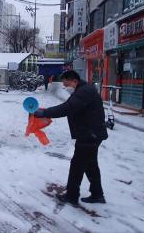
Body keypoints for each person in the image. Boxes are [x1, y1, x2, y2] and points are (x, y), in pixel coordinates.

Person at [34, 70, 107, 206]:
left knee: (77, 166)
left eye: (65, 83)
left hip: (89, 135)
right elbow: (71, 107)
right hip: (92, 133)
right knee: (90, 164)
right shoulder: (83, 89)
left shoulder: (83, 92)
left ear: (73, 80)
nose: (64, 86)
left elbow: (67, 108)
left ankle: (72, 196)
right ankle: (97, 194)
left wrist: (45, 112)